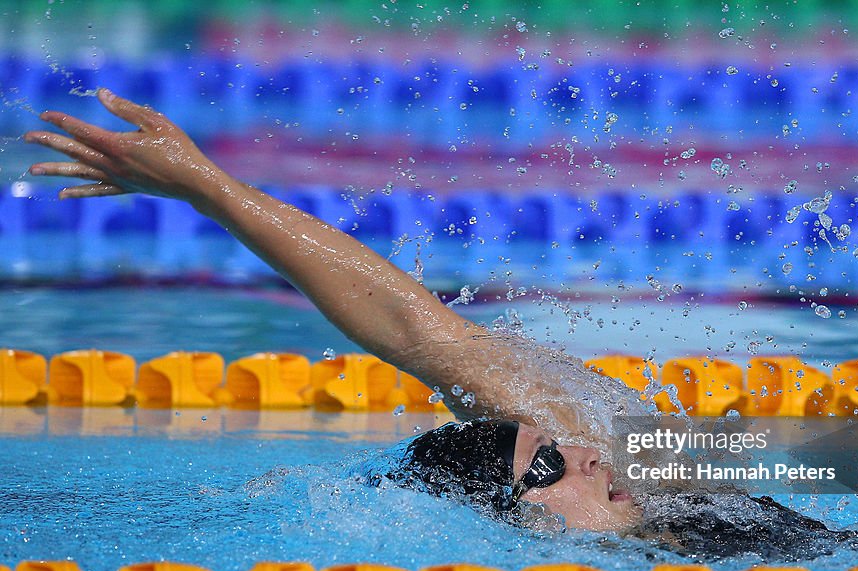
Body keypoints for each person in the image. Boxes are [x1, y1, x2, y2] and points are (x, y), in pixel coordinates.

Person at [23, 89, 641, 531]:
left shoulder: (669, 477)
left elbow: (414, 329)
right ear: (507, 524)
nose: (588, 453)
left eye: (556, 449)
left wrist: (206, 186)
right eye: (549, 463)